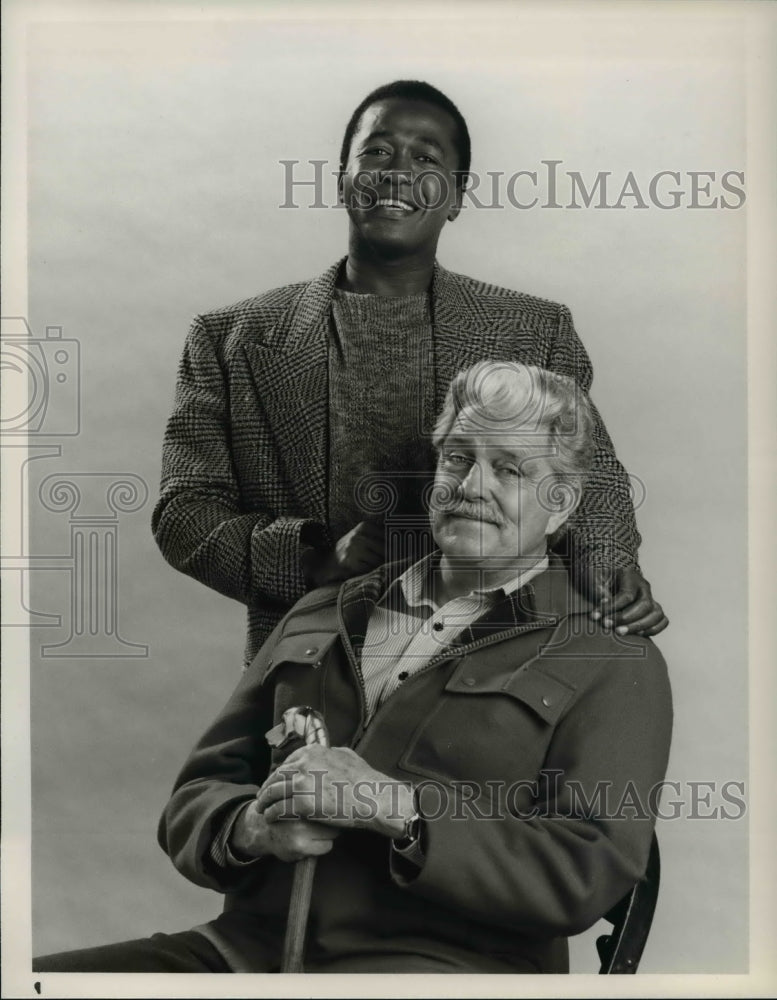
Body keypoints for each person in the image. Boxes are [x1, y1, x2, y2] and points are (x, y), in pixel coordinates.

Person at [36, 361, 672, 973]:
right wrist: (251, 826)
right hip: (242, 953)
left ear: (562, 503)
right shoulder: (324, 609)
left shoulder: (610, 658)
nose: (471, 486)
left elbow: (587, 867)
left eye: (508, 469)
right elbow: (197, 794)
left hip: (445, 967)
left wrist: (396, 807)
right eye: (458, 458)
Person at [151, 79, 668, 668]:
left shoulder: (533, 331)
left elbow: (589, 478)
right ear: (341, 179)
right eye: (377, 151)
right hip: (310, 664)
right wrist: (310, 558)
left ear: (456, 196)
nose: (398, 172)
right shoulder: (231, 339)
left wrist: (610, 562)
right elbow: (185, 511)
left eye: (426, 158)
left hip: (496, 660)